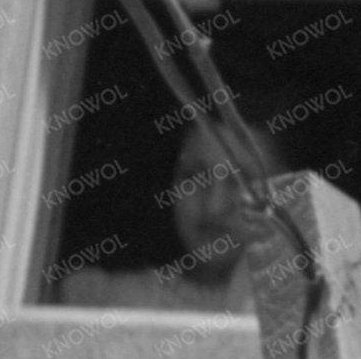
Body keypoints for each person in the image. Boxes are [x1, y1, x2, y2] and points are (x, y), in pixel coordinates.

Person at [58, 118, 274, 312]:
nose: (213, 206)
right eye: (194, 176)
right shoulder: (107, 302)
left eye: (243, 182)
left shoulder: (300, 318)